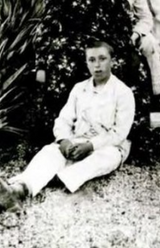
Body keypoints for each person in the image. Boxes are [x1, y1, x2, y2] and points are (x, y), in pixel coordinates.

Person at [34, 0, 160, 163]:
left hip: (106, 43)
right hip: (72, 48)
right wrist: (40, 65)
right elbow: (45, 29)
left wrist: (119, 43)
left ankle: (124, 136)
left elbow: (123, 20)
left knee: (133, 65)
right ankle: (68, 137)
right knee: (62, 65)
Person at [0, 41, 134, 213]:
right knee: (50, 151)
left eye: (103, 59)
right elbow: (64, 119)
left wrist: (90, 146)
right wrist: (64, 141)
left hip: (108, 146)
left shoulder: (123, 92)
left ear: (113, 61)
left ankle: (54, 178)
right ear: (86, 63)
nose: (97, 65)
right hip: (77, 140)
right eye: (92, 60)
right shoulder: (79, 89)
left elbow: (119, 132)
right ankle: (19, 189)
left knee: (104, 159)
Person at [103, 0, 160, 95]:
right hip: (109, 34)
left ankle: (155, 93)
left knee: (150, 44)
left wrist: (135, 34)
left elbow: (145, 17)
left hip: (133, 32)